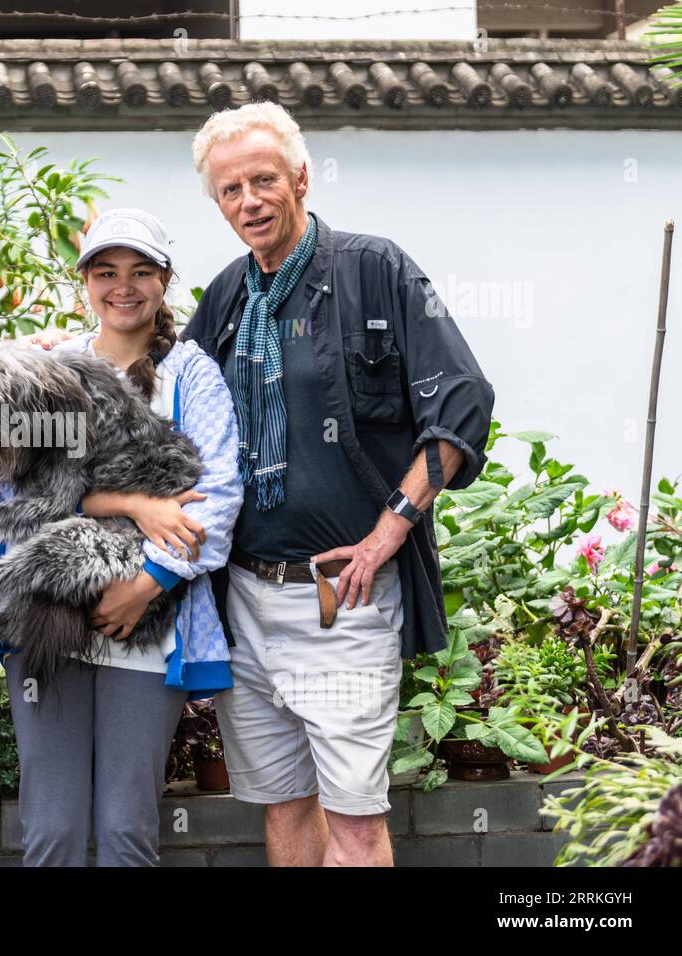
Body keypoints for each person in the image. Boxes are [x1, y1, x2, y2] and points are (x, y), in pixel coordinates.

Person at [182, 102, 495, 866]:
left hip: (340, 599)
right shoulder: (226, 297)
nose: (249, 201)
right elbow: (168, 397)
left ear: (301, 177)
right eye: (230, 190)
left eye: (263, 180)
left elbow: (461, 402)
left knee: (354, 822)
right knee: (284, 809)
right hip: (246, 595)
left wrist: (391, 530)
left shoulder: (373, 269)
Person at [0, 208, 243, 866]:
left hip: (151, 632)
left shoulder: (193, 377)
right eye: (106, 271)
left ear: (165, 279)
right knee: (50, 829)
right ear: (86, 281)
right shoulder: (54, 372)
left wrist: (146, 584)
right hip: (51, 621)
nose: (123, 286)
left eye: (140, 271)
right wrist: (139, 502)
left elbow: (214, 504)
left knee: (127, 829)